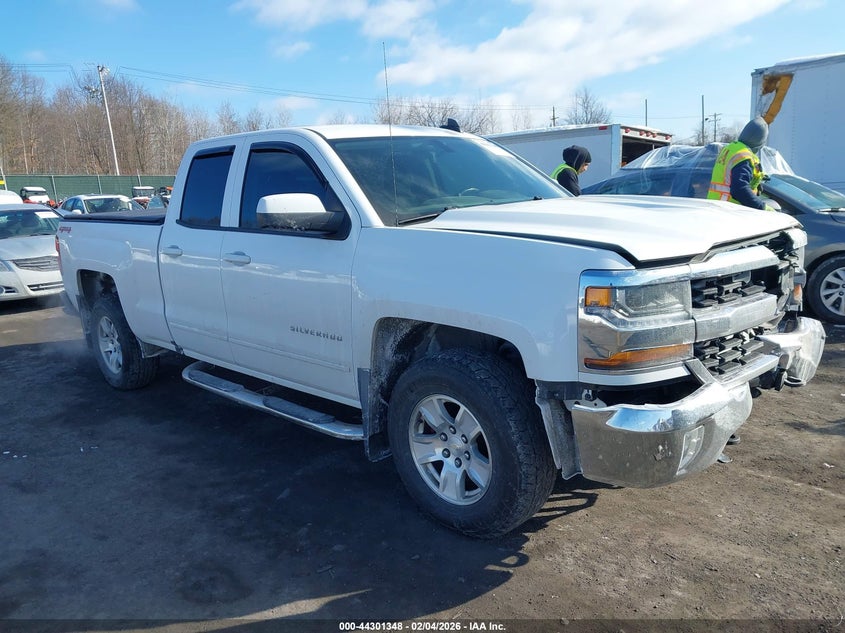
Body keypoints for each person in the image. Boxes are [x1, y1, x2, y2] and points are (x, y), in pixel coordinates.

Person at [707, 116, 775, 211]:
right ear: (760, 142)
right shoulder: (744, 155)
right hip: (728, 210)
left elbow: (727, 179)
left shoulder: (731, 148)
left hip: (716, 207)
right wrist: (762, 207)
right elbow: (739, 189)